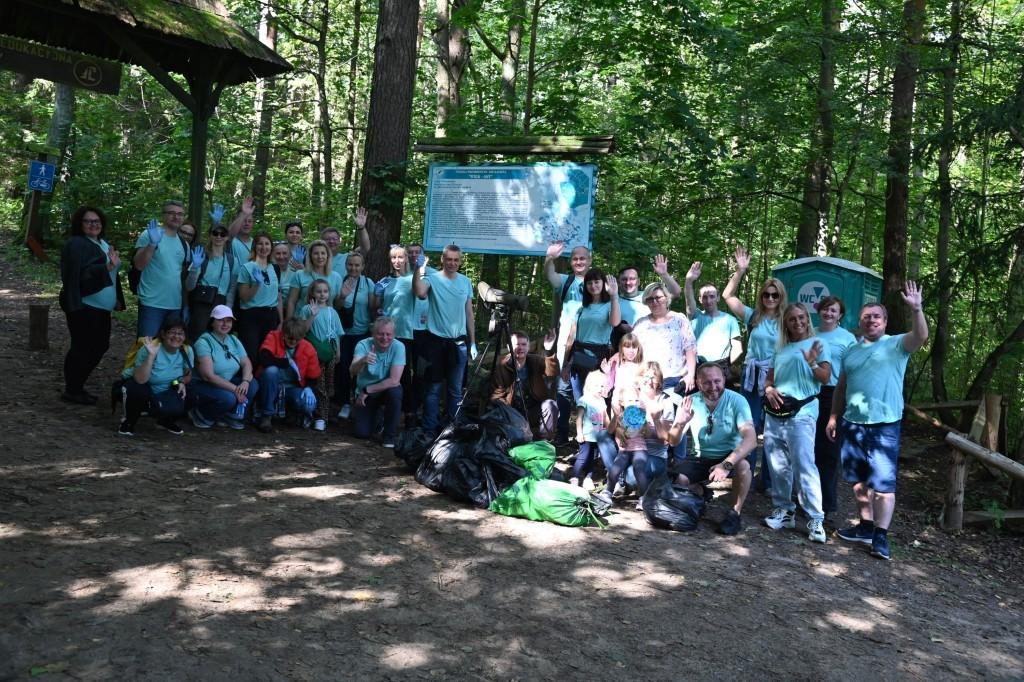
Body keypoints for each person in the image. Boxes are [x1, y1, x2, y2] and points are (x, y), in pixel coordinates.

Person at [827, 283, 929, 561]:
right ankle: (865, 526)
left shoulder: (897, 344)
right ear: (859, 321)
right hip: (852, 423)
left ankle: (881, 537)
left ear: (884, 322)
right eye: (866, 316)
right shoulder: (850, 350)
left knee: (883, 484)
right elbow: (841, 387)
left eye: (876, 316)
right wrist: (834, 416)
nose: (871, 320)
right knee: (858, 479)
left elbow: (921, 336)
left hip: (884, 426)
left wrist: (917, 309)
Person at [761, 303, 832, 543]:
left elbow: (825, 378)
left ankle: (815, 518)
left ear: (807, 319)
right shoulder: (780, 347)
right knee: (777, 464)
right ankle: (784, 511)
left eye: (801, 317)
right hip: (776, 412)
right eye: (792, 319)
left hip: (802, 413)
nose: (798, 322)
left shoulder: (818, 344)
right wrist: (769, 389)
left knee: (804, 464)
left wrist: (812, 363)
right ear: (786, 323)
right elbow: (769, 379)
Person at [722, 245, 787, 490]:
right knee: (748, 427)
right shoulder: (753, 317)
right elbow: (728, 296)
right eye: (766, 295)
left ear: (781, 297)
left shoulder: (786, 321)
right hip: (751, 377)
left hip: (774, 379)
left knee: (773, 431)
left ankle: (768, 481)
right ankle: (745, 472)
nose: (770, 298)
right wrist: (740, 271)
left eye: (775, 295)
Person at [673, 363, 757, 535]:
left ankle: (734, 513)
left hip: (730, 455)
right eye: (707, 382)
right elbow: (672, 442)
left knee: (743, 466)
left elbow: (751, 439)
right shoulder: (689, 401)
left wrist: (725, 465)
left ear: (724, 379)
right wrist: (680, 423)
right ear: (698, 383)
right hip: (700, 456)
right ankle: (702, 493)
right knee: (678, 482)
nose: (713, 387)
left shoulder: (737, 400)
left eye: (717, 381)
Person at [59, 206, 125, 404]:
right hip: (84, 306)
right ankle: (73, 389)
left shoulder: (103, 243)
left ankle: (76, 386)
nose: (93, 224)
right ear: (80, 224)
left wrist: (117, 298)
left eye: (96, 221)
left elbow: (112, 274)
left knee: (99, 346)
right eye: (88, 221)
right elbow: (78, 274)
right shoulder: (77, 244)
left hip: (101, 308)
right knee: (82, 347)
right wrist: (106, 267)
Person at [600, 362, 687, 508]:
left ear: (659, 380)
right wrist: (621, 430)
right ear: (638, 379)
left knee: (634, 475)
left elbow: (666, 440)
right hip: (627, 449)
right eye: (645, 376)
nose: (649, 380)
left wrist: (653, 422)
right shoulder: (631, 396)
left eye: (653, 377)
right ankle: (614, 485)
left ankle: (638, 487)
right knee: (602, 438)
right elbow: (617, 427)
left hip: (653, 454)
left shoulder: (665, 401)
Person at [412, 244, 476, 434]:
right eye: (449, 259)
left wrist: (473, 342)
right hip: (434, 342)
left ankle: (451, 430)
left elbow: (469, 313)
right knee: (433, 389)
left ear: (460, 261)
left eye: (456, 260)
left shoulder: (465, 282)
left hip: (458, 343)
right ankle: (429, 430)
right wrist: (417, 269)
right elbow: (419, 292)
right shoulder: (433, 279)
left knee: (455, 390)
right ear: (443, 259)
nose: (452, 263)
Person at [813, 295, 857, 521]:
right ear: (819, 311)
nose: (829, 313)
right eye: (826, 309)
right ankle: (807, 499)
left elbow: (853, 369)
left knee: (829, 451)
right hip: (809, 393)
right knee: (808, 449)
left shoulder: (847, 338)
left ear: (840, 315)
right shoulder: (810, 333)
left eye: (834, 310)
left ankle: (827, 504)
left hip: (834, 395)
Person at [543, 240, 591, 443]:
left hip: (589, 344)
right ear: (571, 262)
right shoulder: (567, 281)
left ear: (590, 261)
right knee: (563, 388)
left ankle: (588, 436)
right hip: (565, 343)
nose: (579, 262)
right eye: (575, 259)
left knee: (588, 390)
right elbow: (550, 275)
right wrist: (549, 258)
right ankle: (562, 434)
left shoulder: (597, 283)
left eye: (583, 258)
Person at [117, 316, 195, 436]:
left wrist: (180, 382)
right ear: (163, 334)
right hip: (146, 385)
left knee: (193, 393)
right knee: (136, 389)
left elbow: (187, 375)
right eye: (172, 332)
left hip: (167, 387)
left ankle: (165, 421)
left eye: (180, 333)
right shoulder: (150, 348)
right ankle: (128, 422)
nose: (176, 336)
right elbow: (140, 379)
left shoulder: (186, 350)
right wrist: (151, 356)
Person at [189, 305, 258, 429]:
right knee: (228, 398)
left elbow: (246, 363)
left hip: (225, 383)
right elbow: (208, 376)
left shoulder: (233, 339)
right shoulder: (203, 342)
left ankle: (229, 416)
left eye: (228, 320)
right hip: (203, 385)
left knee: (253, 384)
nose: (225, 324)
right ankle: (201, 414)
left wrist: (245, 381)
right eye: (221, 320)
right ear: (212, 322)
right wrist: (236, 389)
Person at [132, 200, 191, 337]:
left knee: (169, 346)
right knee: (147, 345)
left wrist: (185, 305)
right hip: (151, 303)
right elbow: (138, 265)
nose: (176, 217)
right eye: (171, 213)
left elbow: (182, 278)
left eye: (180, 214)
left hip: (175, 305)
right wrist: (152, 244)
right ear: (163, 215)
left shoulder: (184, 244)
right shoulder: (149, 234)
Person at [562, 268, 620, 404]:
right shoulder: (581, 308)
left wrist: (614, 296)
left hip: (598, 359)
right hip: (578, 358)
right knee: (580, 401)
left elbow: (615, 322)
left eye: (597, 282)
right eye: (589, 283)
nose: (593, 286)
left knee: (596, 401)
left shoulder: (610, 305)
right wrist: (565, 364)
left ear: (603, 283)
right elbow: (571, 338)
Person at [488, 329, 560, 440]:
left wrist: (549, 350)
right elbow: (496, 397)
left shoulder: (535, 361)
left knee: (550, 405)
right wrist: (512, 413)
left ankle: (542, 441)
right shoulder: (501, 366)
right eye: (517, 344)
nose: (520, 348)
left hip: (532, 408)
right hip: (512, 412)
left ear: (528, 347)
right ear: (509, 347)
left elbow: (553, 372)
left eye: (524, 344)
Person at [255, 317, 320, 433]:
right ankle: (266, 415)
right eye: (290, 338)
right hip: (272, 386)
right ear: (283, 334)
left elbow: (313, 374)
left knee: (309, 404)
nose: (293, 342)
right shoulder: (273, 337)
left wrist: (309, 388)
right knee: (271, 371)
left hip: (293, 388)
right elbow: (264, 358)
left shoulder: (308, 347)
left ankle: (293, 413)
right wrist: (286, 362)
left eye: (297, 339)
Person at [631, 282, 697, 392]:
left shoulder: (680, 319)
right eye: (650, 299)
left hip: (676, 379)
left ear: (667, 298)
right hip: (648, 381)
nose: (654, 302)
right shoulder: (641, 324)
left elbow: (690, 348)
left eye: (658, 297)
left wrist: (691, 375)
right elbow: (630, 348)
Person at [350, 317, 406, 447]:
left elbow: (394, 380)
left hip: (381, 390)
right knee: (361, 433)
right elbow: (352, 370)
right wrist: (363, 360)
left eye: (388, 334)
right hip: (367, 396)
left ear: (394, 335)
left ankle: (389, 436)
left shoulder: (399, 347)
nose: (385, 338)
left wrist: (366, 390)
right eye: (380, 334)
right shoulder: (363, 345)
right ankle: (378, 418)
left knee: (395, 391)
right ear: (373, 334)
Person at [297, 279, 343, 432]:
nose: (322, 294)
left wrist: (338, 352)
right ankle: (318, 416)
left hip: (330, 353)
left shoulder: (332, 312)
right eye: (319, 291)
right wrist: (312, 315)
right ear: (312, 293)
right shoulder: (306, 309)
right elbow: (302, 331)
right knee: (318, 384)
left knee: (328, 386)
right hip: (313, 354)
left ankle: (324, 415)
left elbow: (337, 333)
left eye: (325, 291)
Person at [683, 261, 742, 378]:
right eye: (705, 297)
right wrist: (689, 281)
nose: (708, 300)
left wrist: (727, 366)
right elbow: (689, 303)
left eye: (712, 296)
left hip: (722, 366)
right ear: (700, 299)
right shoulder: (696, 316)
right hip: (698, 365)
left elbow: (737, 348)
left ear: (718, 298)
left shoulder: (730, 320)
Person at [334, 251, 375, 418]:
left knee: (360, 368)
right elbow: (336, 307)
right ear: (346, 265)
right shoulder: (340, 281)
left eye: (357, 265)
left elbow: (372, 307)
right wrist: (343, 296)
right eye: (350, 264)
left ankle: (360, 401)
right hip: (344, 333)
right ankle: (344, 402)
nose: (353, 268)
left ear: (363, 266)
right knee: (343, 368)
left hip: (362, 333)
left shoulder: (368, 283)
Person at [185, 223, 237, 343]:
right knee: (197, 338)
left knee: (217, 338)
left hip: (221, 304)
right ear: (210, 235)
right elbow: (189, 286)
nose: (219, 236)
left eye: (222, 234)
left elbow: (232, 288)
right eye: (215, 233)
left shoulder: (231, 260)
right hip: (202, 303)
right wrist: (195, 268)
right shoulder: (201, 256)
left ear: (227, 237)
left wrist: (228, 309)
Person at [235, 233, 284, 360]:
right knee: (251, 354)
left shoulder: (275, 268)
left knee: (268, 354)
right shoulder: (246, 268)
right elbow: (244, 297)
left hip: (271, 316)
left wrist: (281, 321)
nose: (263, 247)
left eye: (267, 244)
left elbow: (278, 296)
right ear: (254, 247)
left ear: (271, 247)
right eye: (260, 244)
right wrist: (257, 284)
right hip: (251, 316)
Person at [285, 239, 343, 320]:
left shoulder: (336, 277)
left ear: (328, 256)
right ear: (310, 256)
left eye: (323, 253)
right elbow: (291, 301)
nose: (320, 257)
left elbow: (337, 305)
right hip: (302, 321)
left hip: (325, 322)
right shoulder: (299, 274)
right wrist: (289, 322)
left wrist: (343, 296)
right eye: (316, 253)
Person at [572, 370, 610, 491]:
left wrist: (609, 430)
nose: (600, 389)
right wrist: (579, 433)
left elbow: (605, 417)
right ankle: (574, 477)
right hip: (586, 436)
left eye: (602, 386)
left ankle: (588, 478)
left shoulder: (601, 401)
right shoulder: (585, 400)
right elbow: (579, 418)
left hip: (598, 436)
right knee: (583, 457)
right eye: (596, 386)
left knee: (593, 459)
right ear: (589, 386)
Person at [322, 207, 372, 279]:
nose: (331, 241)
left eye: (335, 239)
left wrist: (361, 227)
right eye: (327, 239)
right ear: (321, 241)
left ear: (340, 241)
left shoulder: (348, 258)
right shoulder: (315, 259)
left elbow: (365, 248)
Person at [601, 333, 644, 401]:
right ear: (621, 348)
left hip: (634, 401)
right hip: (618, 400)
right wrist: (606, 372)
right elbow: (609, 382)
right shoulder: (617, 361)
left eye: (634, 347)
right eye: (627, 347)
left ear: (638, 348)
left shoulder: (641, 365)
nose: (631, 350)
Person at [227, 197, 257, 264]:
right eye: (244, 221)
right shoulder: (233, 240)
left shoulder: (255, 243)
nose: (247, 224)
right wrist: (244, 214)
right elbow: (229, 234)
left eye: (250, 221)